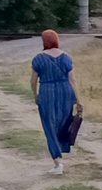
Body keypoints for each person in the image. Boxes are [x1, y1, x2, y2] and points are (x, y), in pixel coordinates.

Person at [30, 29, 77, 173]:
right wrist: (78, 99)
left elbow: (33, 81)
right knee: (63, 123)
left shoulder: (38, 59)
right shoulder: (67, 57)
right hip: (65, 92)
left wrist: (35, 94)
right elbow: (72, 80)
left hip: (47, 92)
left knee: (49, 126)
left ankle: (57, 162)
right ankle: (61, 149)